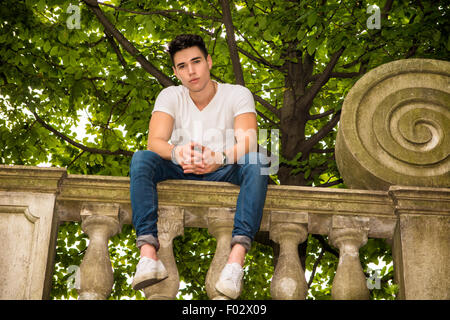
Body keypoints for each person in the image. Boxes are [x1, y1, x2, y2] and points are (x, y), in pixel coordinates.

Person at [129, 34, 269, 299]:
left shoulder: (237, 94)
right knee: (142, 159)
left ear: (209, 62)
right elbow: (154, 141)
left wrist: (220, 158)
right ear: (175, 72)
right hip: (182, 168)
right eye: (182, 66)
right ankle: (148, 255)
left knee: (259, 160)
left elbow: (249, 140)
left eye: (196, 62)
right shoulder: (170, 95)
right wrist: (177, 153)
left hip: (225, 168)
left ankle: (235, 262)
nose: (190, 71)